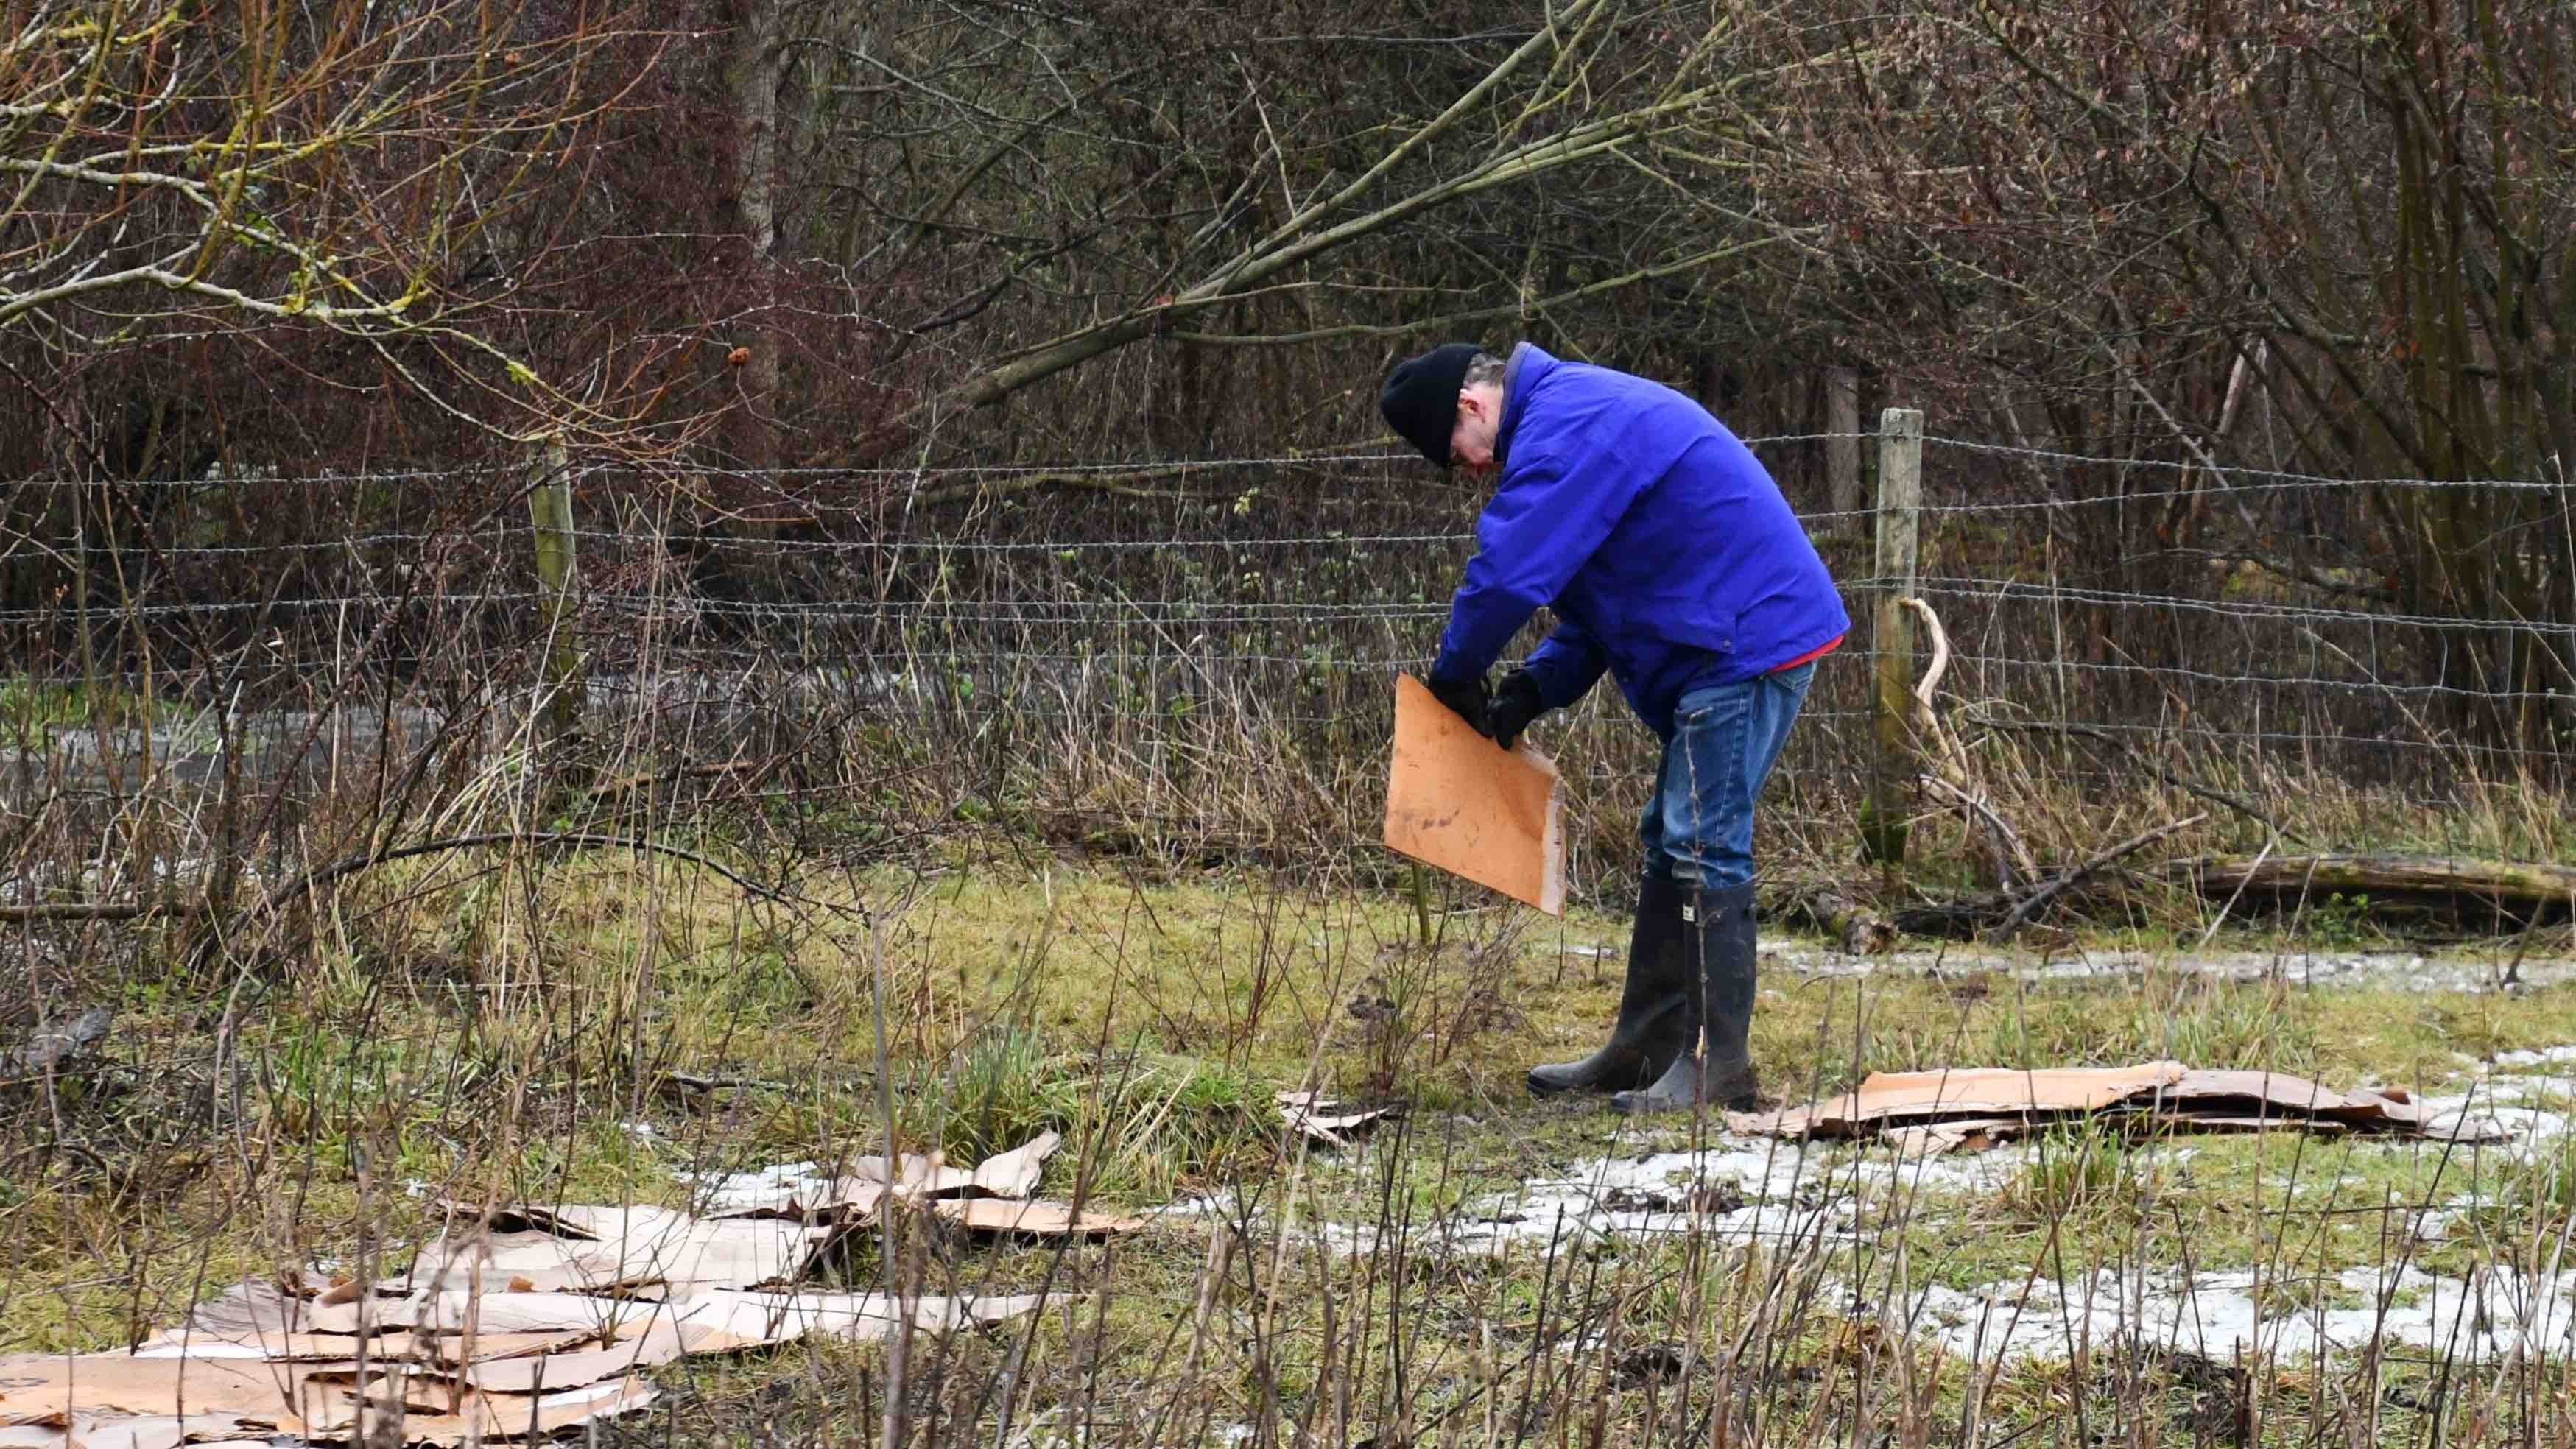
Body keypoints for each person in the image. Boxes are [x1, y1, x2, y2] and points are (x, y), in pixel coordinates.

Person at [1378, 342, 1847, 1113]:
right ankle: (1646, 1052)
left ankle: (1718, 1068)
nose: (1469, 471)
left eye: (1455, 453)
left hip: (1747, 638)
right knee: (1673, 833)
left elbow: (1507, 574)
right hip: (1721, 633)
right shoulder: (1570, 419)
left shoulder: (1566, 427)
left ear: (1471, 406)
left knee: (1703, 838)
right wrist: (1533, 688)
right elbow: (1610, 599)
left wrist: (1456, 673)